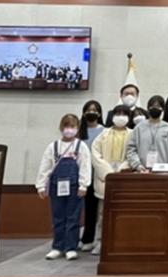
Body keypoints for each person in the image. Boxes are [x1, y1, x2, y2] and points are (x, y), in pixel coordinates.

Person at [35, 114, 91, 261]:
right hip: (56, 186)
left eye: (72, 126)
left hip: (75, 187)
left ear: (77, 128)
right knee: (58, 217)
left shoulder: (81, 146)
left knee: (73, 218)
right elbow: (45, 166)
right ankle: (57, 247)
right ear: (61, 127)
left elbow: (85, 166)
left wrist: (84, 185)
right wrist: (40, 186)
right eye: (66, 126)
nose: (69, 129)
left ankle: (71, 248)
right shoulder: (53, 146)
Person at [91, 105, 132, 255]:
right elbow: (95, 154)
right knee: (103, 214)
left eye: (124, 114)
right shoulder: (103, 134)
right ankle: (100, 242)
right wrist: (108, 172)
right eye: (118, 113)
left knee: (123, 214)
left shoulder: (133, 134)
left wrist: (121, 170)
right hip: (105, 179)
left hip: (124, 178)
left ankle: (122, 242)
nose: (121, 116)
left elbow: (133, 154)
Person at [77, 100, 105, 252]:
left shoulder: (104, 131)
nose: (91, 112)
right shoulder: (78, 131)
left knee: (95, 209)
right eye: (88, 110)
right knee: (82, 209)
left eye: (94, 110)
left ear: (99, 114)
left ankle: (93, 239)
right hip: (81, 174)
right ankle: (82, 238)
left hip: (96, 174)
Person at [126, 95, 168, 173]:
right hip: (143, 171)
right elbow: (131, 149)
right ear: (148, 108)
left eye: (158, 106)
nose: (155, 108)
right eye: (152, 106)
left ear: (163, 109)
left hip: (164, 171)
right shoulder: (139, 128)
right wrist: (137, 165)